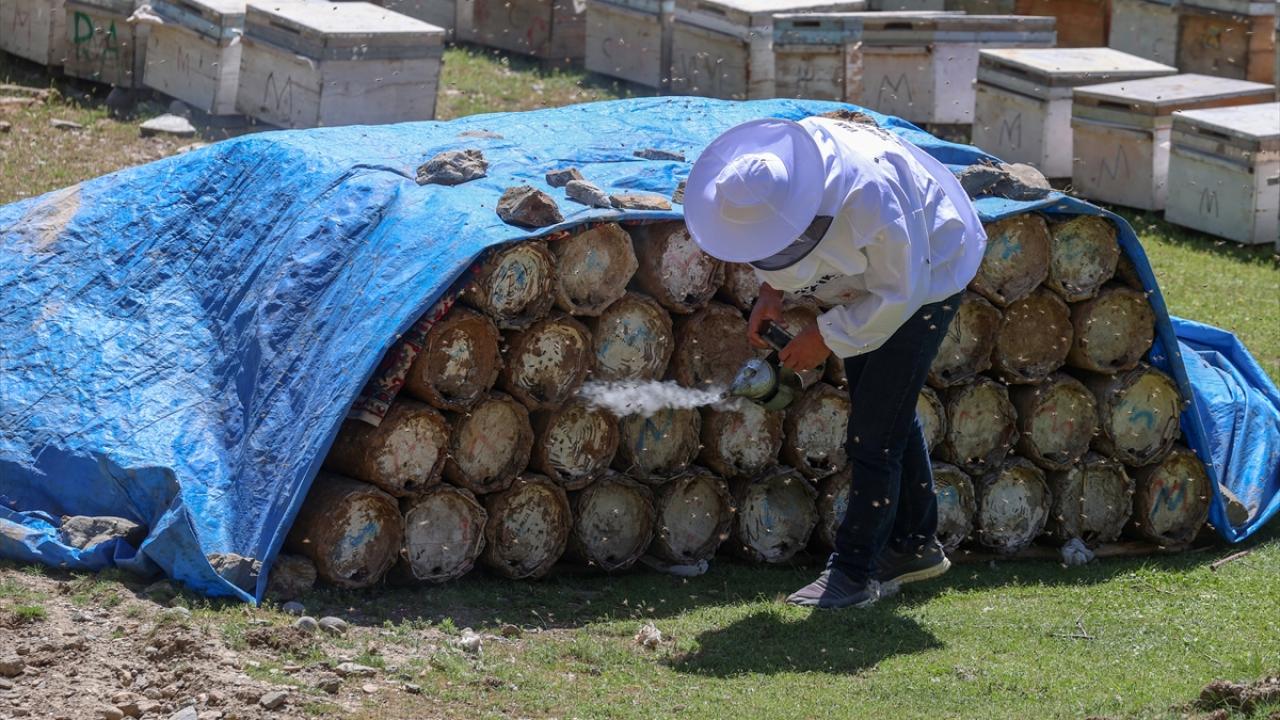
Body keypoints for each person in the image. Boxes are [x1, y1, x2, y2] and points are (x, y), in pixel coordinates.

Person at [683, 116, 988, 609]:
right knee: (883, 408)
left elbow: (900, 293)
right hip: (878, 278)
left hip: (929, 271)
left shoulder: (871, 199)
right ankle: (915, 545)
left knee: (873, 435)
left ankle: (853, 574)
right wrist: (770, 292)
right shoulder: (780, 178)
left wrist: (825, 337)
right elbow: (770, 232)